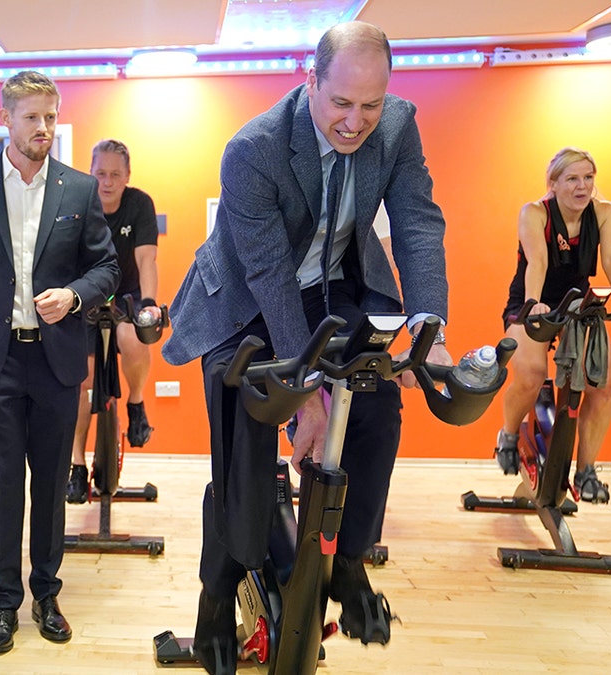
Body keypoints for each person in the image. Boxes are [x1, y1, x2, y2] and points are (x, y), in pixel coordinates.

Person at [161, 22, 452, 670]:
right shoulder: (255, 149)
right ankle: (215, 599)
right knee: (245, 461)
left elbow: (417, 223)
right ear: (310, 80)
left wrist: (430, 331)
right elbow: (268, 276)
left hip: (334, 285)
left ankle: (349, 564)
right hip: (245, 305)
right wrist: (307, 402)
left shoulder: (399, 127)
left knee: (377, 401)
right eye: (341, 103)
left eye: (369, 106)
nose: (355, 122)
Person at [0, 70, 119, 655]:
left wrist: (76, 296)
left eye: (51, 117)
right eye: (32, 117)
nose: (43, 128)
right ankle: (5, 603)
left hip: (58, 361)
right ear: (5, 118)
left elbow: (107, 269)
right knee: (4, 485)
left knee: (53, 483)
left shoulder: (79, 190)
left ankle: (47, 593)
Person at [495, 147, 611, 502]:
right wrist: (533, 303)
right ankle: (508, 434)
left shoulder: (605, 213)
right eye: (572, 179)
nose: (582, 186)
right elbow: (537, 260)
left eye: (588, 178)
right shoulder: (535, 213)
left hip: (579, 305)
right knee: (531, 374)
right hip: (532, 300)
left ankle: (586, 471)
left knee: (602, 386)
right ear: (553, 184)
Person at [67, 139, 161, 504]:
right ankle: (76, 466)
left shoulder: (139, 205)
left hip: (127, 295)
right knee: (82, 384)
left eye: (115, 175)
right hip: (85, 295)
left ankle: (136, 404)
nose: (107, 182)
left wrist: (149, 304)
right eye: (101, 173)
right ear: (91, 173)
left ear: (127, 176)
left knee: (134, 337)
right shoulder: (78, 203)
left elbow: (147, 261)